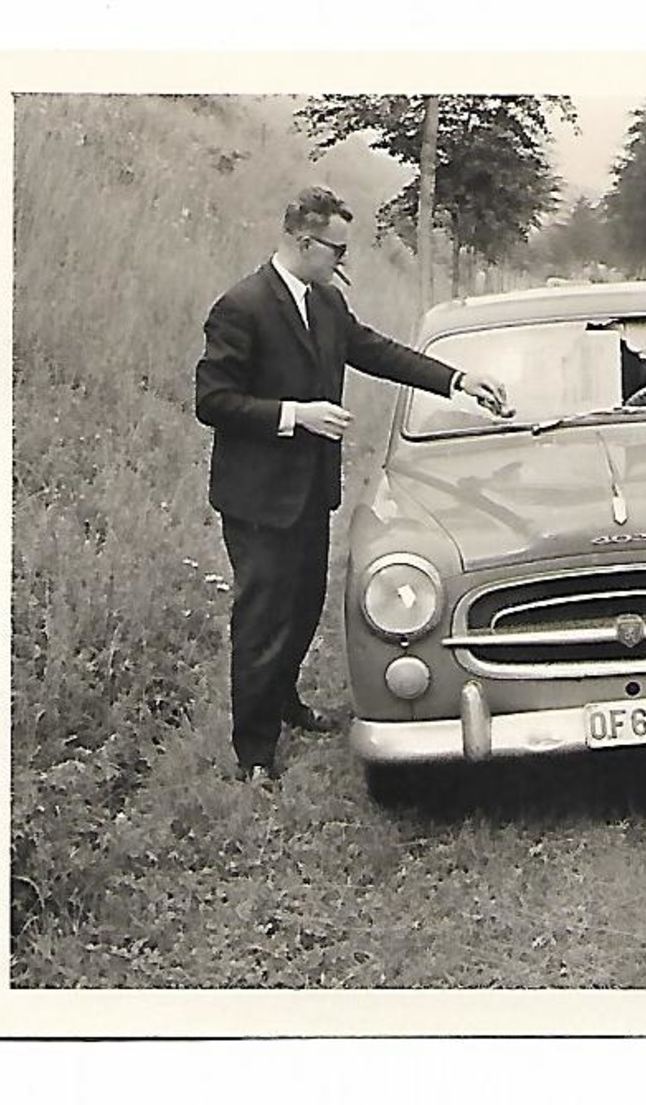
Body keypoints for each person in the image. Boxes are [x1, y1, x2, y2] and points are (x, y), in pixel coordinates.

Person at [194, 185, 511, 785]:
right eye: (337, 249)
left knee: (303, 604)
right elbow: (213, 400)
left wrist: (456, 380)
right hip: (259, 497)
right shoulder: (241, 306)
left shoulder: (328, 303)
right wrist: (297, 414)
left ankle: (282, 702)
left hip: (311, 490)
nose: (345, 261)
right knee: (262, 617)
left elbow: (377, 352)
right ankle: (254, 753)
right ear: (302, 241)